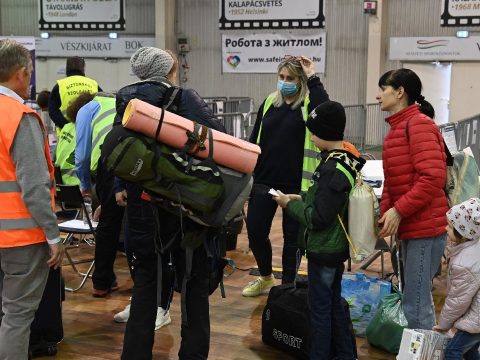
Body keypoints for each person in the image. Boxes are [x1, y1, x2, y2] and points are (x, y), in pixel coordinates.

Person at [114, 47, 226, 359]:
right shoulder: (184, 97)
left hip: (141, 203)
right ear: (169, 70)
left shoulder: (125, 99)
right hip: (182, 205)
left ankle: (135, 353)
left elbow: (121, 149)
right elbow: (218, 137)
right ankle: (192, 354)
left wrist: (120, 187)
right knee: (192, 280)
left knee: (147, 280)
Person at [274, 101, 362, 360]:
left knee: (321, 311)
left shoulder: (333, 168)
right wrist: (300, 197)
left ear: (324, 132)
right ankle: (346, 355)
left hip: (325, 250)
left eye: (313, 132)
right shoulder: (344, 159)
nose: (311, 137)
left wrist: (288, 206)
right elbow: (323, 201)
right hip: (333, 249)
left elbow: (320, 217)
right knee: (333, 305)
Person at [242, 55, 329, 297]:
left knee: (292, 240)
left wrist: (313, 77)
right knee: (256, 232)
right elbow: (255, 138)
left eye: (290, 78)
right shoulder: (270, 101)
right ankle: (266, 276)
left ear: (300, 80)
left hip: (296, 184)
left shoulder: (309, 103)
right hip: (265, 181)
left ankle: (287, 288)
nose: (284, 82)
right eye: (281, 77)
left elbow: (326, 111)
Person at [0, 39, 64, 359]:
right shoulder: (19, 117)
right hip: (20, 238)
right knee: (17, 316)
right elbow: (35, 186)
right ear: (22, 73)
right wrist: (53, 235)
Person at [376, 68, 448, 330]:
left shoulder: (418, 124)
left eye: (383, 89)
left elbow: (432, 178)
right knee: (413, 300)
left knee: (416, 306)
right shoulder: (398, 128)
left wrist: (399, 211)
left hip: (425, 229)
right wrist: (386, 213)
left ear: (400, 92)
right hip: (412, 227)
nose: (377, 95)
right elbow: (393, 180)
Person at [432, 198, 480, 360]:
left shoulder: (464, 264)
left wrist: (443, 324)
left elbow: (457, 301)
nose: (445, 229)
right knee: (470, 350)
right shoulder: (473, 245)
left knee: (453, 351)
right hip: (476, 315)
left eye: (450, 227)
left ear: (464, 233)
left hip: (476, 318)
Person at [48, 56, 100, 129]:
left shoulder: (60, 86)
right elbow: (102, 105)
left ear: (67, 68)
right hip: (89, 131)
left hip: (67, 135)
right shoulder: (93, 84)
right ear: (83, 68)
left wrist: (66, 125)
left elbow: (52, 111)